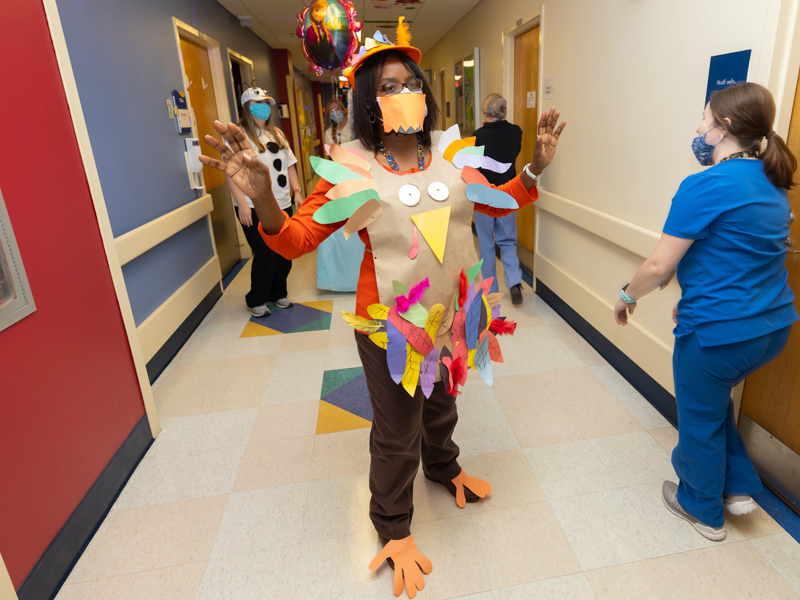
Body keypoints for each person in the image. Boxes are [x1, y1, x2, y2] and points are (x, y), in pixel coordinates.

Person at [200, 20, 565, 598]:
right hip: (389, 328)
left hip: (452, 320)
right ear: (369, 100)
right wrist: (265, 194)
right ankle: (392, 525)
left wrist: (536, 167)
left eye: (411, 83)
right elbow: (293, 239)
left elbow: (497, 204)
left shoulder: (449, 154)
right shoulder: (351, 169)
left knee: (442, 405)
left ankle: (443, 468)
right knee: (397, 432)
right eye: (390, 86)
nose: (405, 94)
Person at [614, 82, 798, 542]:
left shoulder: (706, 185)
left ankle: (701, 508)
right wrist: (694, 295)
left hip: (719, 333)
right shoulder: (773, 185)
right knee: (715, 404)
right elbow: (740, 255)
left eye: (705, 119)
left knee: (698, 415)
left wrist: (626, 296)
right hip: (772, 329)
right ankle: (737, 488)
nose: (699, 129)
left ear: (725, 127)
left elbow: (659, 264)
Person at [229, 86, 304, 317]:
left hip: (281, 203)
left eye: (265, 104)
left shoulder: (277, 134)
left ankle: (277, 293)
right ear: (247, 108)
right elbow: (231, 172)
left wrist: (297, 191)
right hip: (252, 206)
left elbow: (290, 164)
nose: (263, 108)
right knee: (265, 253)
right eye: (257, 104)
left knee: (284, 252)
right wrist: (241, 203)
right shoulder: (238, 137)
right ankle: (256, 299)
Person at [472, 93, 525, 304]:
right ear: (504, 112)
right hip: (507, 194)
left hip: (484, 195)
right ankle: (514, 284)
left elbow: (473, 166)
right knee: (508, 241)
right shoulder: (515, 132)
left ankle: (490, 290)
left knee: (486, 243)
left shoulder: (476, 136)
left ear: (484, 114)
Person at [318, 97, 362, 292]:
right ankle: (339, 276)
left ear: (343, 110)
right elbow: (331, 157)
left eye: (337, 109)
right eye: (331, 111)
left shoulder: (354, 126)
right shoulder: (330, 132)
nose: (335, 113)